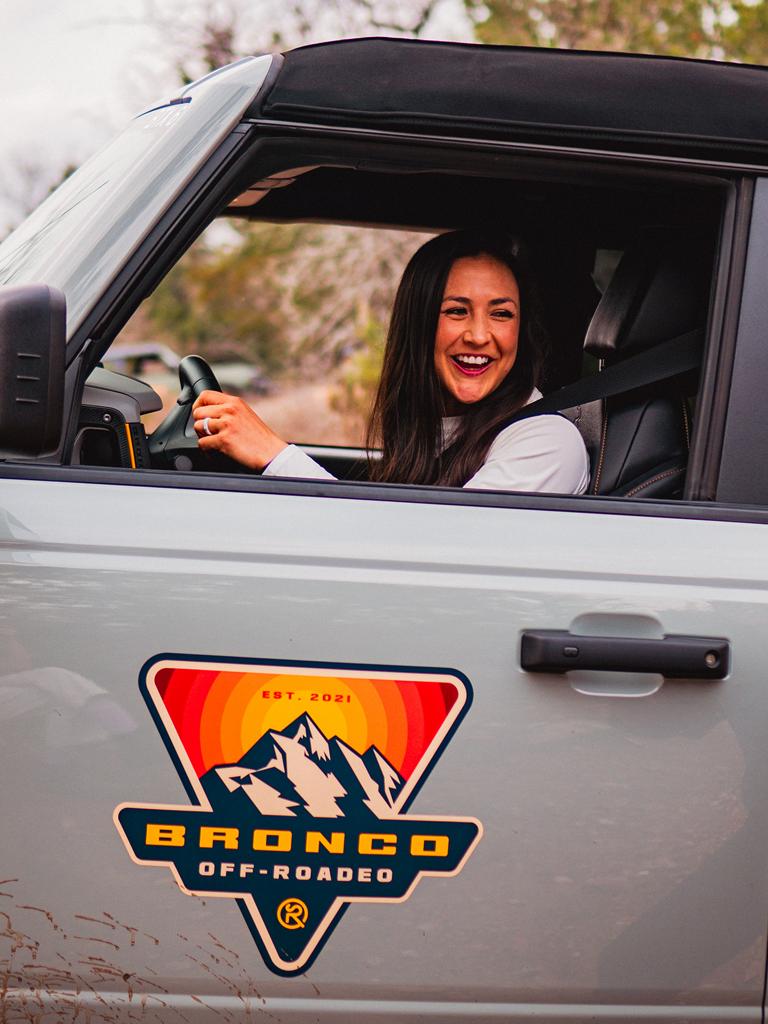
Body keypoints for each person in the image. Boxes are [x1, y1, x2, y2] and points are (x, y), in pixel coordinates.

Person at [192, 230, 589, 494]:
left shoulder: (545, 442)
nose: (480, 335)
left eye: (501, 314)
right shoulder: (432, 426)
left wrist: (275, 457)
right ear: (418, 323)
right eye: (456, 311)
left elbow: (426, 556)